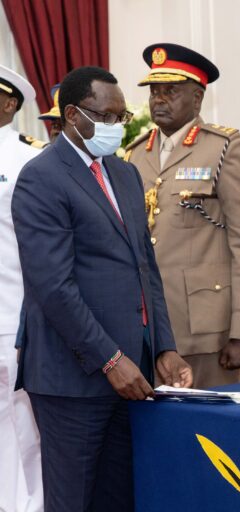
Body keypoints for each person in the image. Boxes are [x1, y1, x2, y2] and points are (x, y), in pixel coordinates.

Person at [11, 66, 192, 511]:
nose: (116, 126)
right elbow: (54, 287)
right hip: (74, 378)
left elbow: (145, 268)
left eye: (121, 116)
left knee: (120, 497)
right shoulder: (42, 178)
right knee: (74, 499)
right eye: (106, 117)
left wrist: (164, 347)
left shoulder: (124, 174)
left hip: (133, 374)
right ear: (73, 115)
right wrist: (110, 359)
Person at [125, 43, 240, 388]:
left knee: (208, 436)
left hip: (205, 331)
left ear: (197, 98)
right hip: (147, 328)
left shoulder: (224, 149)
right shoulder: (134, 154)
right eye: (154, 91)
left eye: (170, 91)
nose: (159, 99)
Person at [0, 64, 44, 512]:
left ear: (10, 103)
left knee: (21, 424)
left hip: (12, 314)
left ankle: (28, 505)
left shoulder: (29, 158)